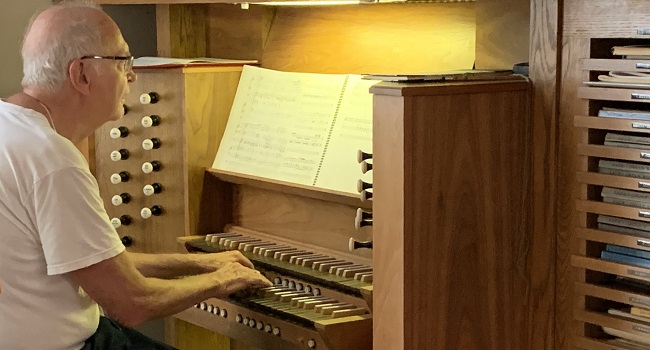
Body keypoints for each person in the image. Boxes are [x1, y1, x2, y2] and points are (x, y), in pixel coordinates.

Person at [0, 1, 272, 350]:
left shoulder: (11, 127)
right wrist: (223, 280)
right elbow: (131, 303)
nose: (132, 75)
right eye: (122, 61)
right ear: (81, 74)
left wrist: (201, 263)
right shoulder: (53, 160)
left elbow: (99, 265)